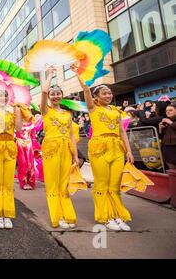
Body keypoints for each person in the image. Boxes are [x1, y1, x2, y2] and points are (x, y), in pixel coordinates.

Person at [76, 74, 134, 232]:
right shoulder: (93, 108)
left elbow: (122, 132)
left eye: (109, 92)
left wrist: (128, 150)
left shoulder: (116, 112)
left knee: (114, 185)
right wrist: (78, 74)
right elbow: (86, 90)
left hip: (117, 148)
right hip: (99, 148)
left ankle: (117, 215)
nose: (108, 95)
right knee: (102, 183)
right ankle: (105, 216)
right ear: (96, 97)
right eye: (104, 93)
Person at [40, 66, 79, 229]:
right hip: (50, 148)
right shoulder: (45, 110)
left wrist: (75, 155)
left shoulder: (67, 114)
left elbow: (71, 136)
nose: (56, 96)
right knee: (53, 183)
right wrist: (50, 74)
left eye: (58, 93)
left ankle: (67, 214)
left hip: (66, 149)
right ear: (49, 97)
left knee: (64, 183)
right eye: (53, 94)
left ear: (62, 96)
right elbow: (42, 92)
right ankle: (57, 216)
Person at [0, 88, 31, 230]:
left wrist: (17, 111)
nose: (3, 98)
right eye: (0, 95)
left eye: (5, 96)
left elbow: (18, 128)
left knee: (8, 184)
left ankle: (7, 214)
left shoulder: (12, 112)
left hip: (10, 148)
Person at [159, 103, 176, 170]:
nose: (168, 112)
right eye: (166, 111)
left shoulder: (168, 121)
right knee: (172, 171)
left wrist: (170, 122)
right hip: (167, 148)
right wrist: (160, 129)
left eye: (170, 110)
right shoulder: (166, 121)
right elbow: (162, 136)